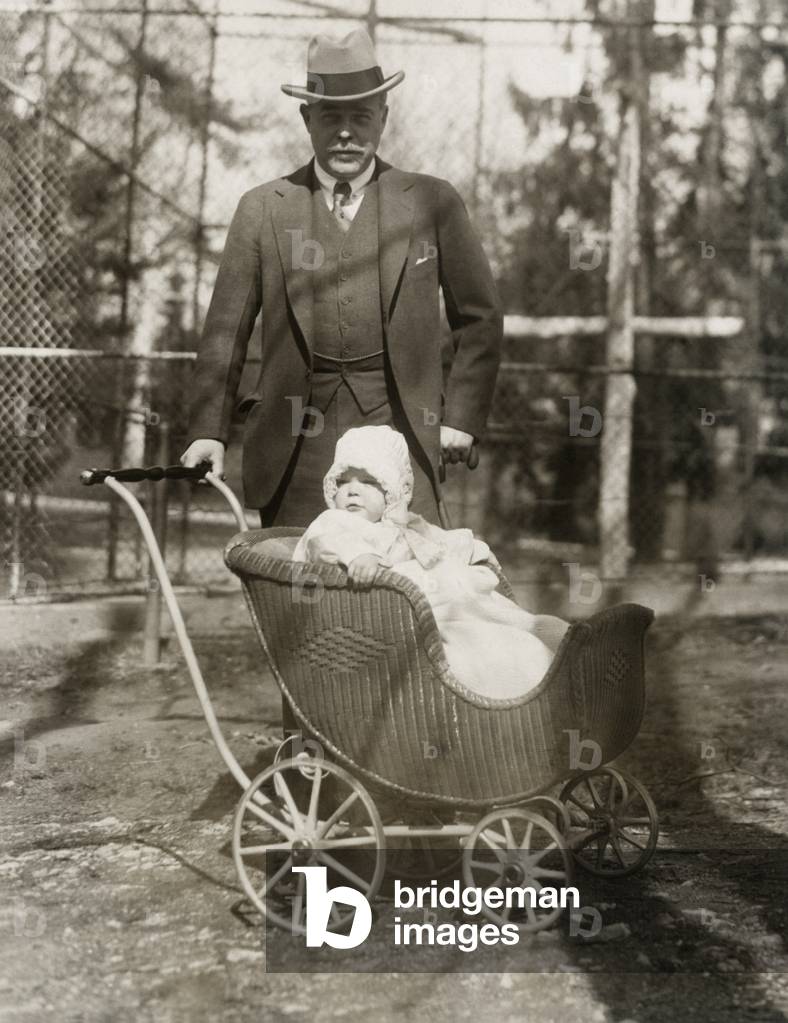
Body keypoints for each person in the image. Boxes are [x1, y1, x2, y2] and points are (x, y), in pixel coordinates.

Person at [180, 27, 502, 527]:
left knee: (402, 588)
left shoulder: (431, 202)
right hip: (294, 444)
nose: (347, 132)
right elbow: (226, 332)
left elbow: (480, 318)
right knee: (297, 584)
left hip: (401, 436)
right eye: (332, 117)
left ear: (384, 118)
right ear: (307, 118)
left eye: (361, 116)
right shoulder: (263, 208)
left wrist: (460, 417)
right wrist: (208, 430)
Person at [293, 426, 570, 699]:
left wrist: (472, 549)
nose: (352, 491)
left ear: (390, 493)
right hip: (408, 619)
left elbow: (437, 541)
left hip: (444, 604)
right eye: (343, 481)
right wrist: (358, 555)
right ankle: (522, 654)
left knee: (498, 615)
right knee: (482, 645)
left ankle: (540, 632)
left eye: (367, 482)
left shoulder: (398, 525)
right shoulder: (336, 522)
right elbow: (324, 540)